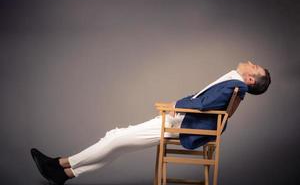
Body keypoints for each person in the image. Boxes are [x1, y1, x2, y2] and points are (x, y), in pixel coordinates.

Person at [31, 61, 271, 185]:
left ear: (250, 78)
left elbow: (204, 105)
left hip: (178, 123)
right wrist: (179, 104)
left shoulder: (236, 86)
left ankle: (60, 164)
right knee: (116, 142)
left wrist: (175, 106)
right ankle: (65, 171)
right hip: (178, 118)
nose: (250, 62)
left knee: (114, 139)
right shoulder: (235, 84)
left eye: (254, 66)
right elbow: (204, 101)